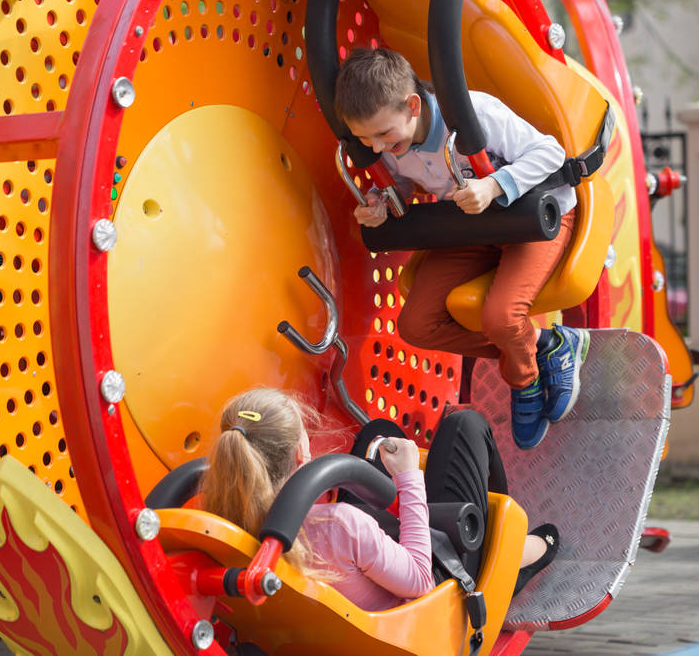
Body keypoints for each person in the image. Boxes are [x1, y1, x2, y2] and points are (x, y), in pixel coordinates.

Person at [334, 47, 590, 449]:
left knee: (502, 317)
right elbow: (402, 180)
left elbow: (550, 153)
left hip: (536, 218)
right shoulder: (392, 146)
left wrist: (493, 184)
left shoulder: (474, 114)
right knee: (416, 326)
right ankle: (546, 345)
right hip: (473, 228)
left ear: (413, 105)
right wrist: (380, 203)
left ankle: (523, 379)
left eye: (384, 134)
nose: (379, 147)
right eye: (366, 139)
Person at [198, 388, 559, 612]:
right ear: (299, 456)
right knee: (464, 424)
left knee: (376, 434)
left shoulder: (220, 517)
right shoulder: (340, 523)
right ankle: (505, 554)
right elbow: (419, 579)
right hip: (429, 594)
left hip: (351, 580)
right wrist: (408, 479)